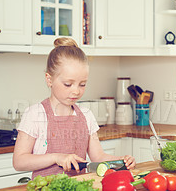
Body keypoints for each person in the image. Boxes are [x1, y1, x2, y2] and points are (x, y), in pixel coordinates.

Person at [13, 37, 136, 178]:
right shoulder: (35, 114)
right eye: (68, 84)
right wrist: (56, 157)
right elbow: (19, 161)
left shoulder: (86, 115)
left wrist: (122, 161)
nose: (76, 91)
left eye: (82, 84)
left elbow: (98, 156)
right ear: (49, 79)